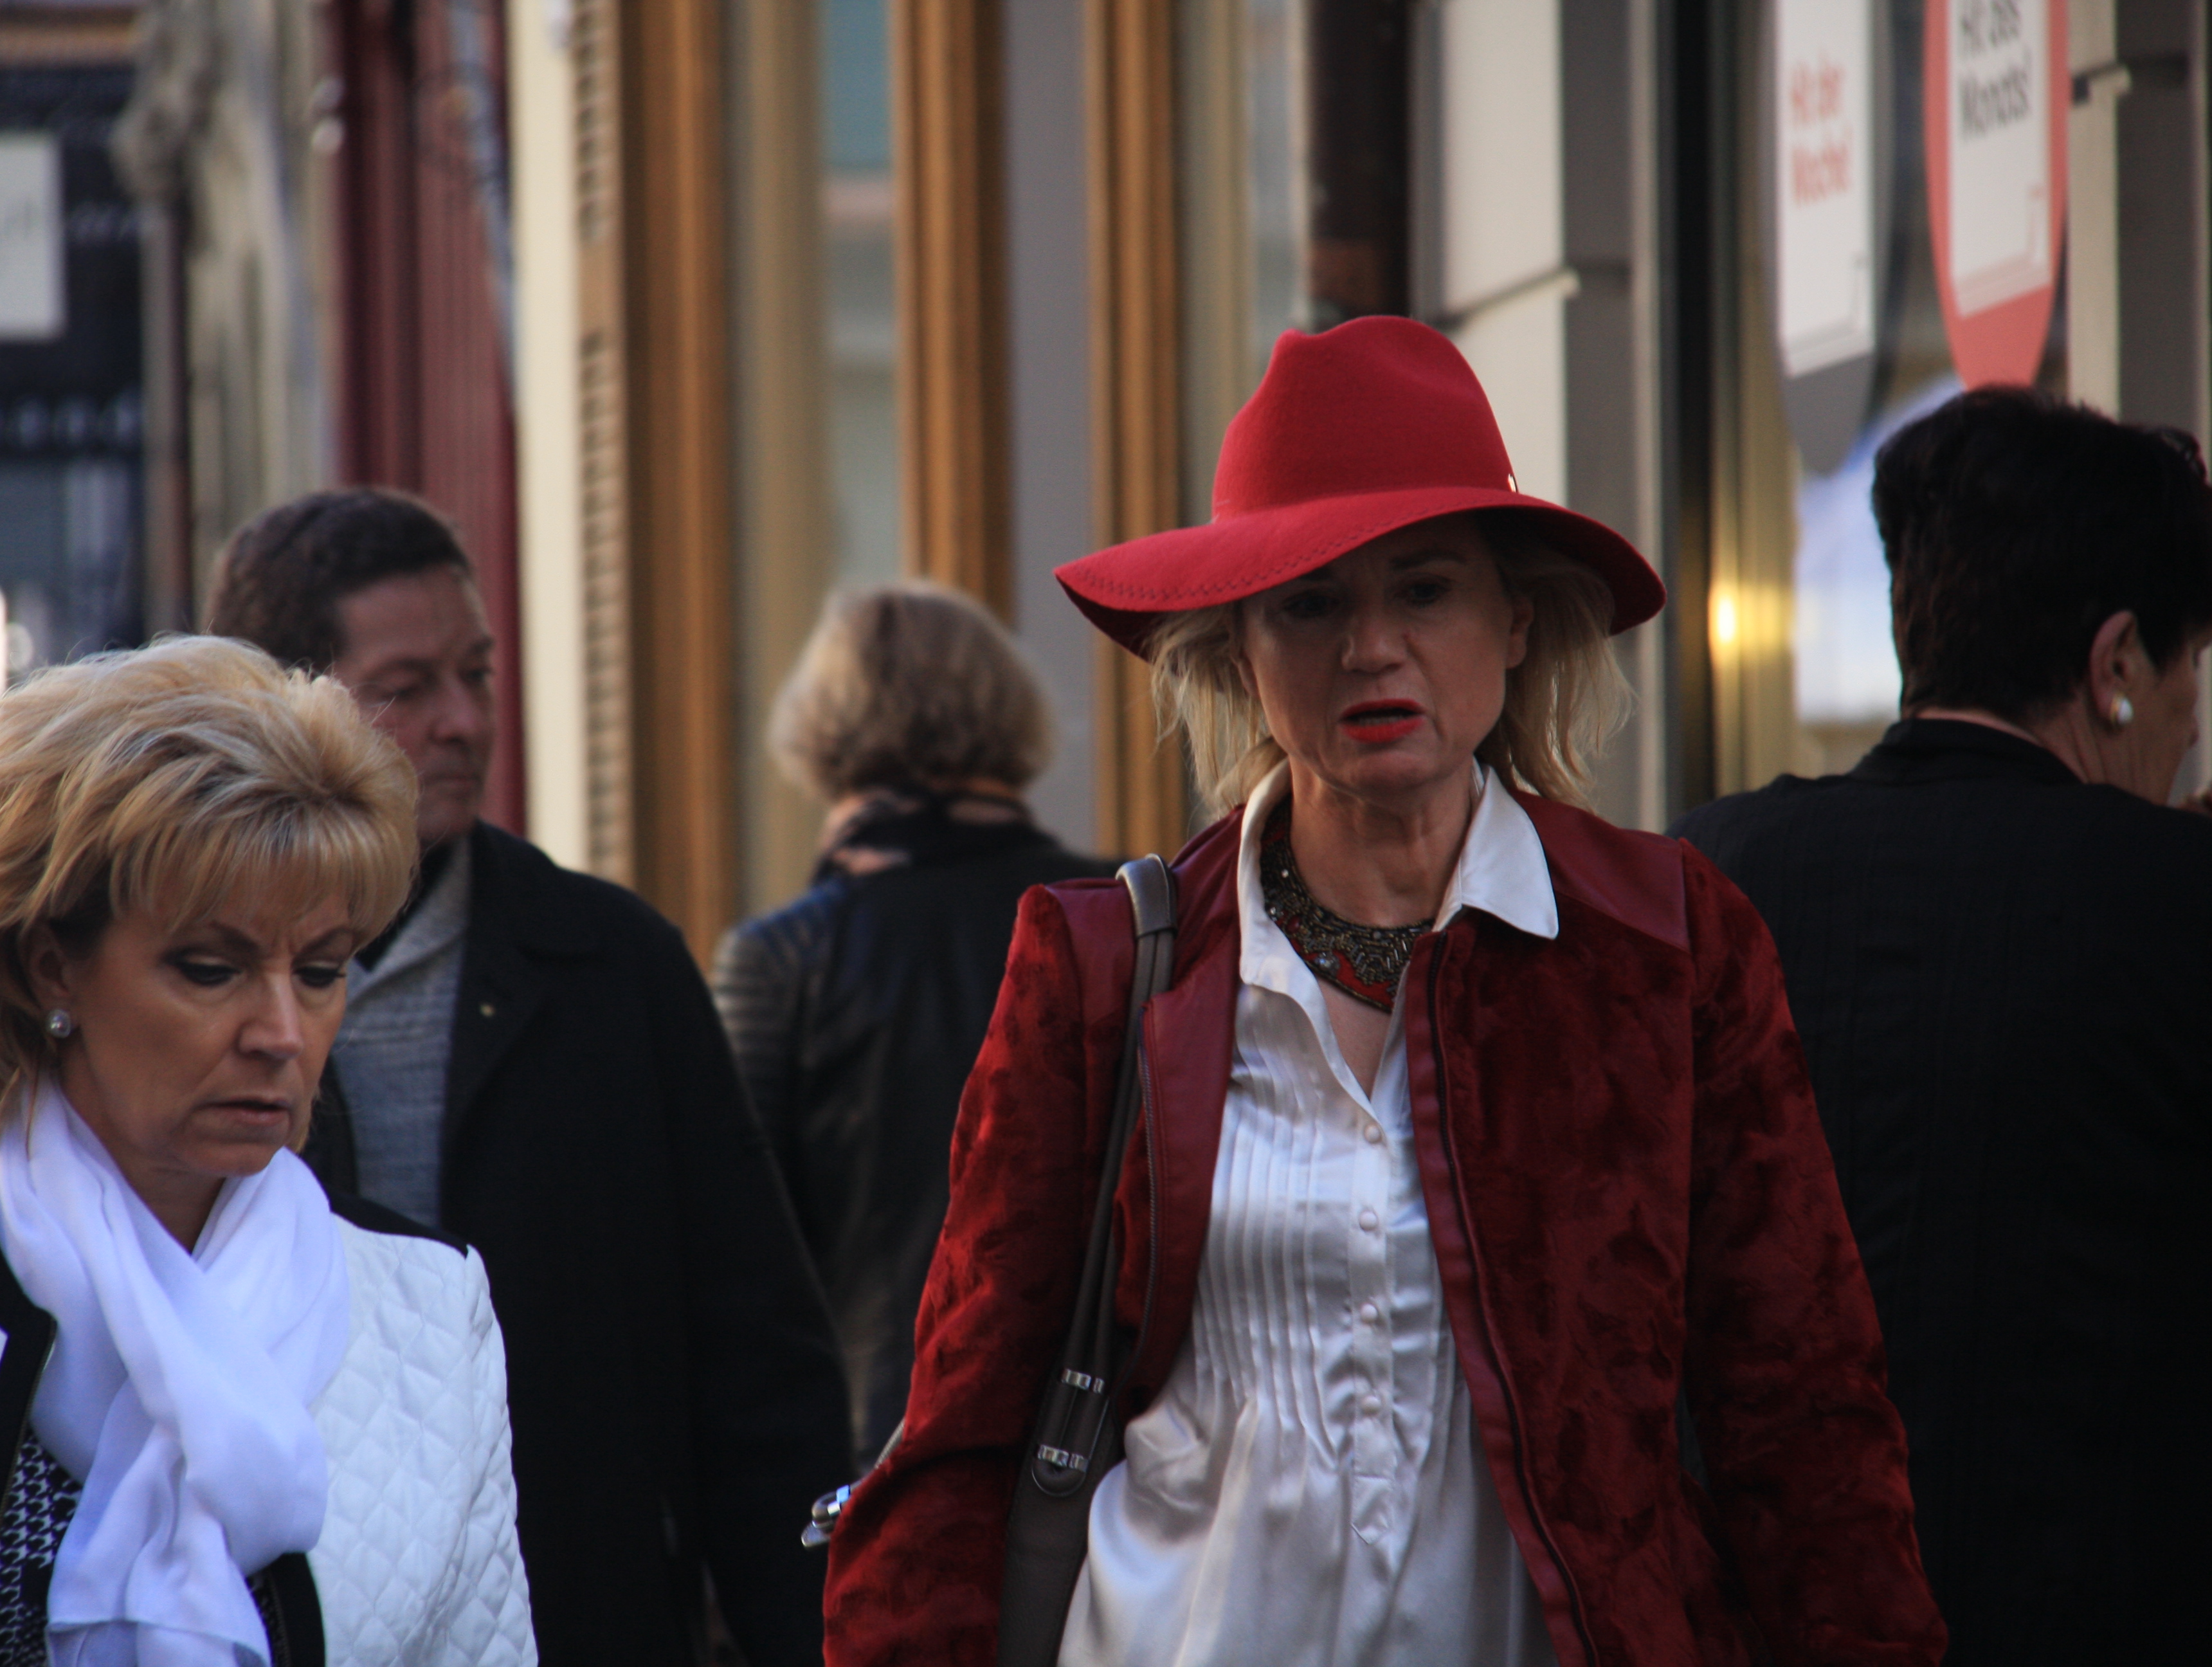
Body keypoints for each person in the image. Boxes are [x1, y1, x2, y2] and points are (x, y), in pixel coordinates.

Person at [823, 319, 1945, 1667]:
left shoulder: (1668, 947)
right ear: (1239, 649)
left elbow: (1803, 1417)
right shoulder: (1107, 970)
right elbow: (956, 1439)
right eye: (1309, 602)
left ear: (1513, 620)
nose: (1371, 647)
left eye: (1423, 589)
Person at [0, 637, 534, 1662]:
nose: (282, 1032)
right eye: (211, 969)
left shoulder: (433, 1304)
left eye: (322, 971)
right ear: (51, 967)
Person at [206, 488, 850, 1667]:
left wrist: (806, 1633)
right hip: (279, 1608)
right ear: (287, 708)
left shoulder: (610, 964)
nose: (463, 721)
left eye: (478, 673)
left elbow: (755, 1356)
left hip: (578, 1603)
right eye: (406, 688)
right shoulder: (185, 984)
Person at [1671, 387, 2212, 1666]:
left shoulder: (1699, 879)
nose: (2192, 720)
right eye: (2191, 668)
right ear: (2117, 666)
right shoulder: (2176, 902)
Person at [712, 583, 1113, 1464]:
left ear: (823, 734)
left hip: (884, 1458)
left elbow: (737, 1266)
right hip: (1109, 1459)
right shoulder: (1129, 916)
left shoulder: (785, 958)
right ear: (1009, 708)